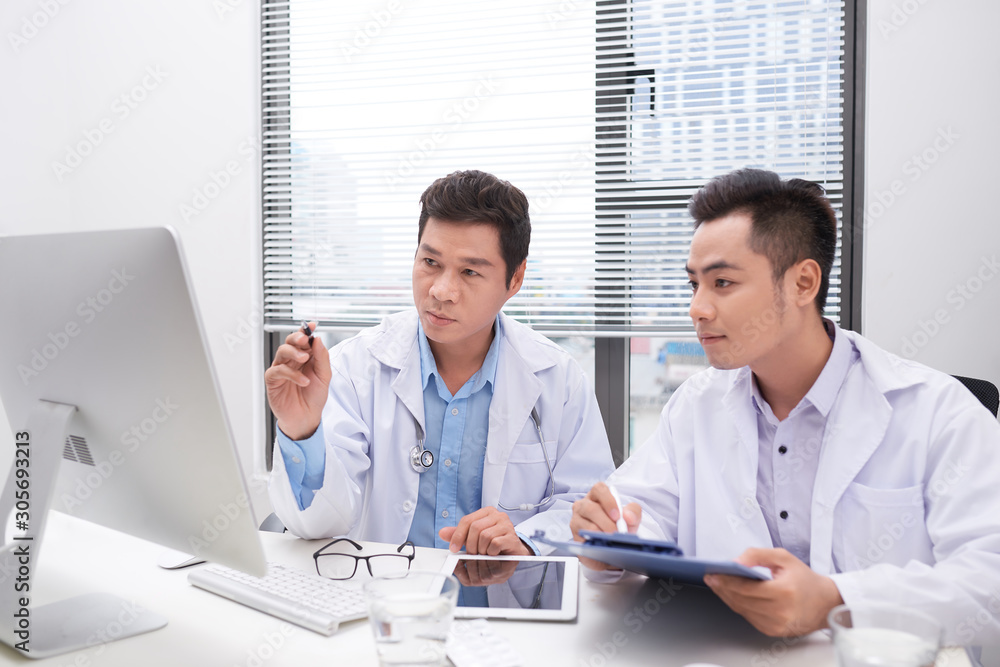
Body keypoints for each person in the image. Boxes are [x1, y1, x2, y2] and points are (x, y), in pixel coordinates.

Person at [570, 168, 1000, 646]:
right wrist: (612, 537)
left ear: (802, 283)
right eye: (694, 284)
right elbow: (641, 510)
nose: (697, 307)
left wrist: (838, 600)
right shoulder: (697, 404)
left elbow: (989, 580)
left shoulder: (939, 412)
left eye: (723, 283)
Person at [267, 169, 613, 557]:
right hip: (389, 603)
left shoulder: (559, 380)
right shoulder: (356, 366)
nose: (441, 291)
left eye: (469, 271)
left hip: (506, 611)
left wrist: (526, 539)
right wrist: (301, 430)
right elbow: (316, 524)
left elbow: (589, 509)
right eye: (430, 262)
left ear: (515, 279)